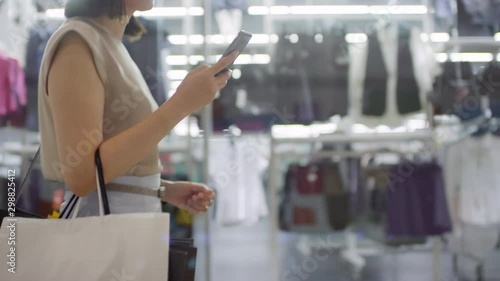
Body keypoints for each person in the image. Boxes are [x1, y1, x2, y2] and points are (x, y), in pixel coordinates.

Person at [38, 0, 238, 217]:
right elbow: (82, 176)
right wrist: (181, 104)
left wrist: (159, 189)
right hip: (103, 232)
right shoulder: (77, 44)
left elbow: (107, 166)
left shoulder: (107, 42)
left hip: (123, 224)